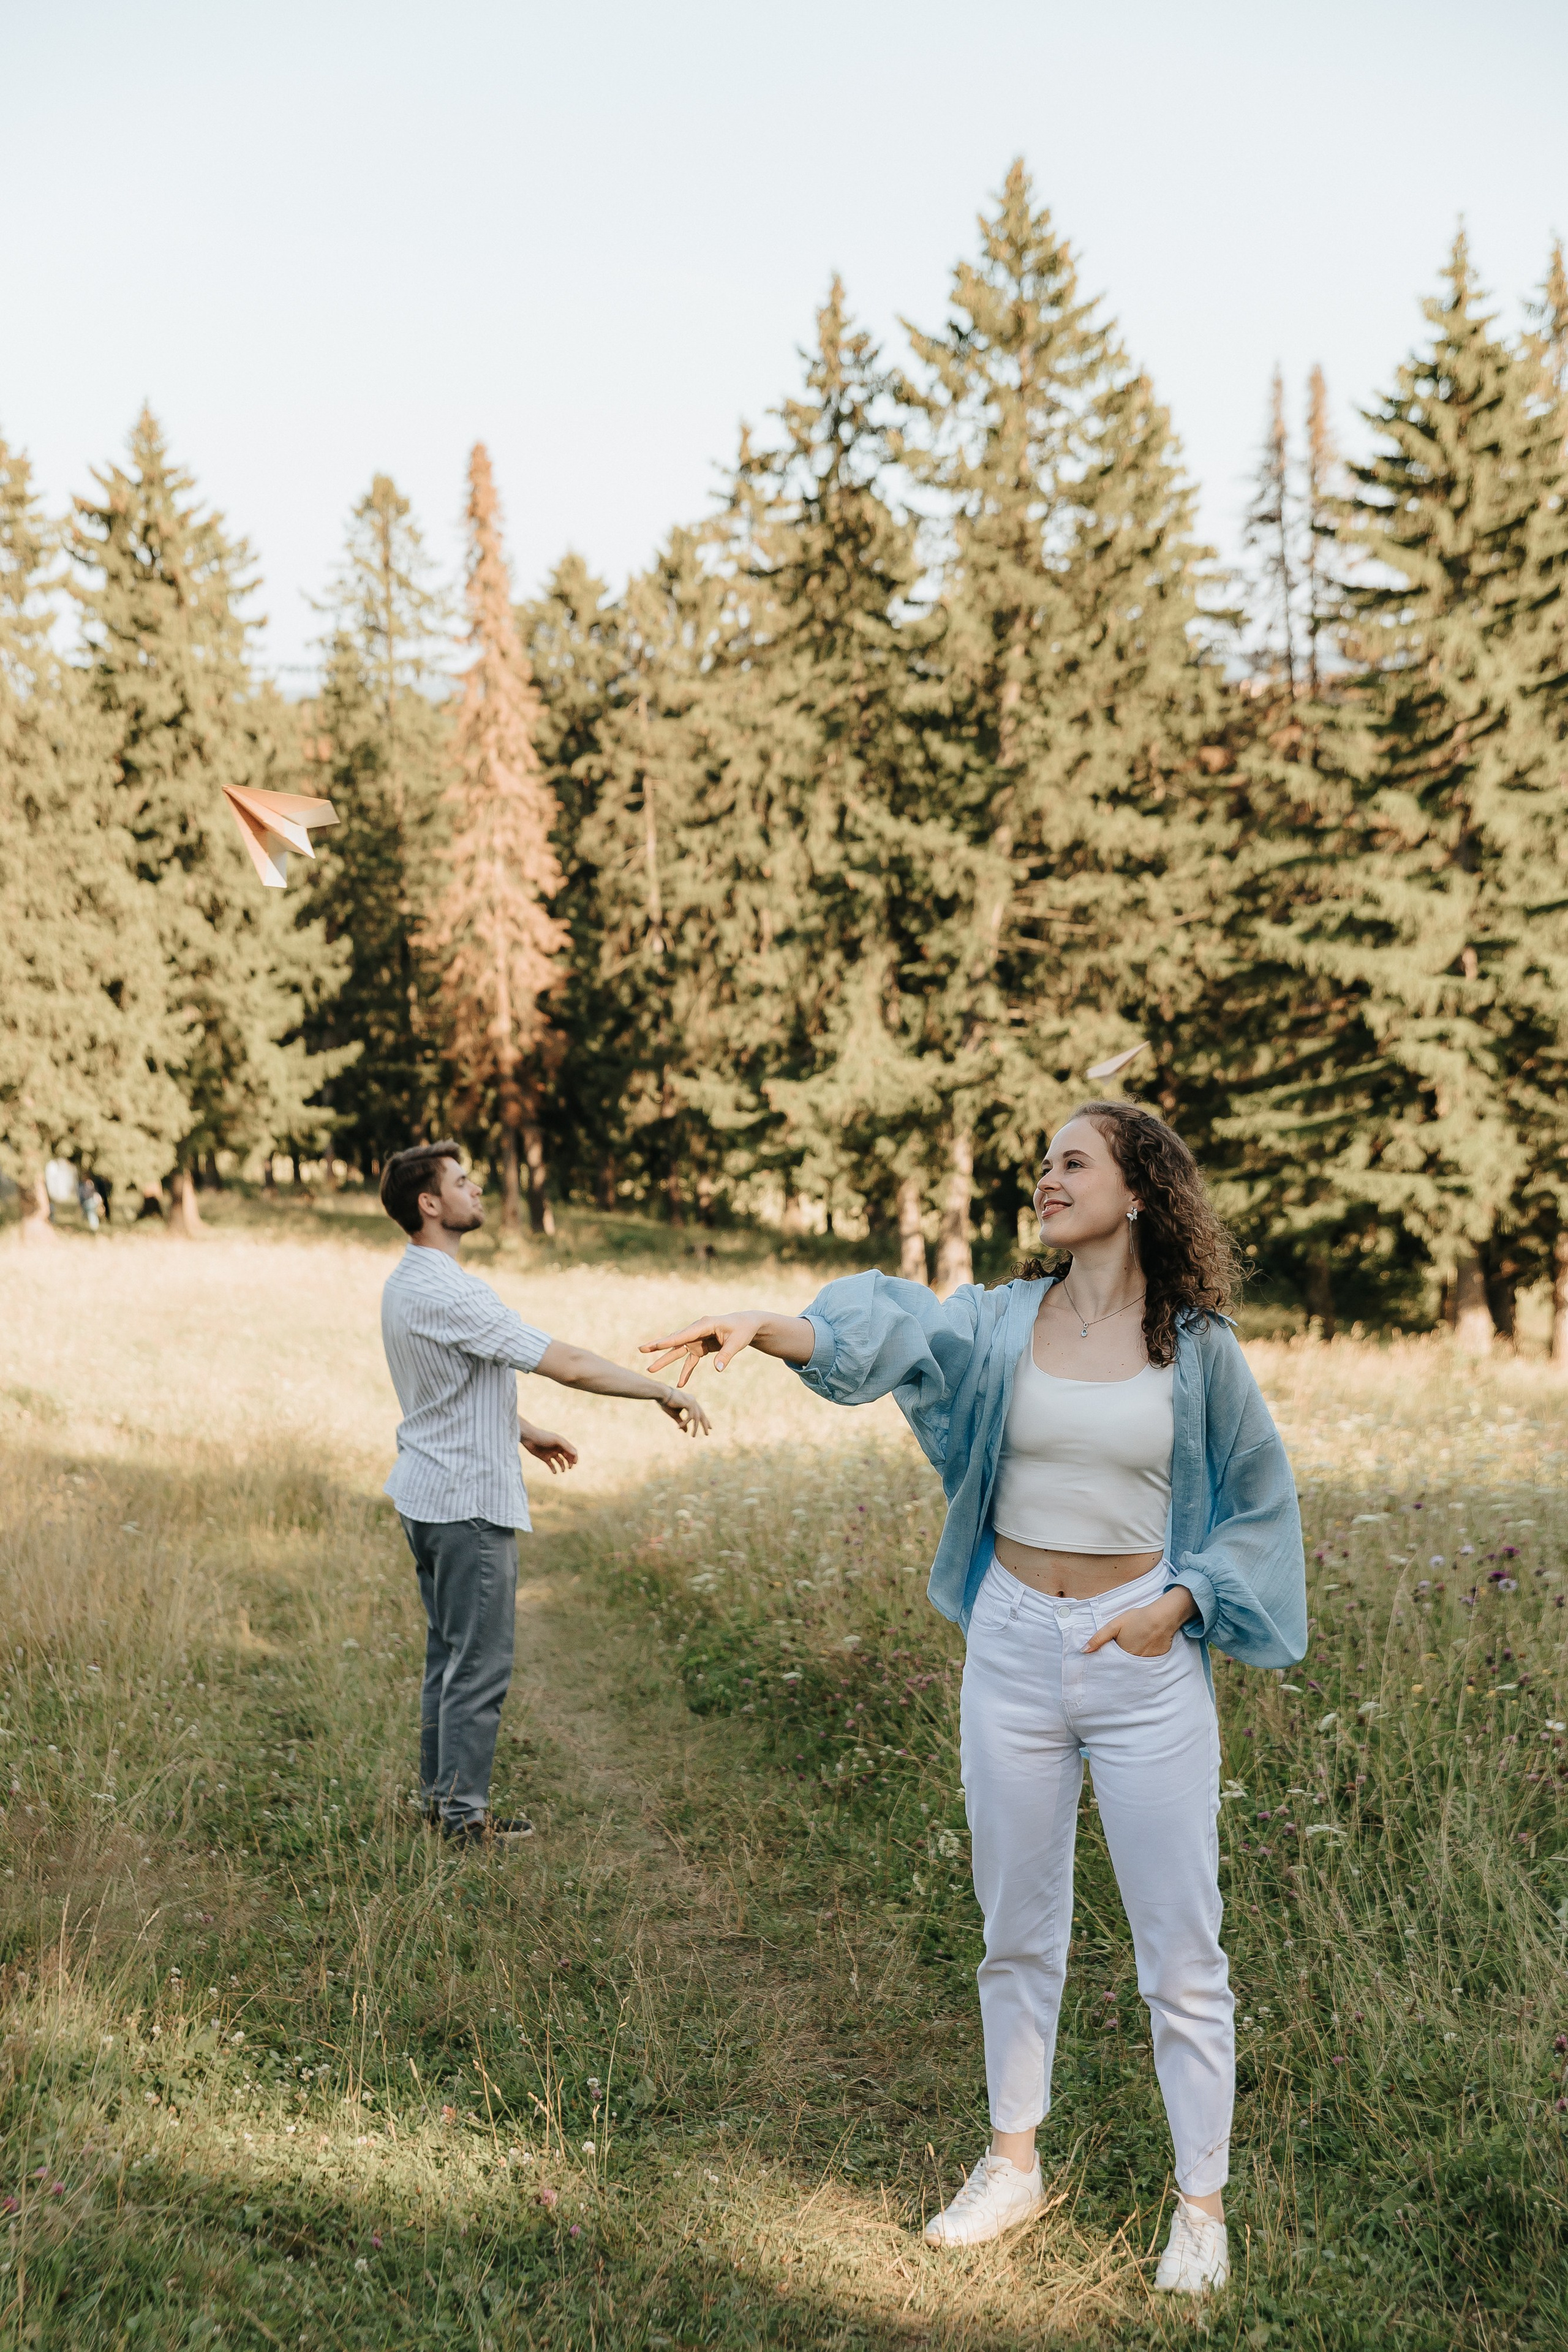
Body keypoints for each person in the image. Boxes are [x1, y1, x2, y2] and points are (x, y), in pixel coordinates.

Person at [642, 1102, 1305, 2295]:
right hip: (1006, 1638)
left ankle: (1197, 2210)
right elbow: (893, 1337)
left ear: (1139, 1190)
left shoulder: (1195, 1348)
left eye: (1073, 1161)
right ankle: (1012, 2162)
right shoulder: (1003, 1323)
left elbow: (1258, 1504)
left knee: (1179, 1945)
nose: (1046, 1179)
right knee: (1014, 1923)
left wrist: (1184, 1602)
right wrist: (764, 1325)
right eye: (1040, 1162)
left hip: (1141, 1654)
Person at [379, 1139, 711, 1847]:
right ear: (429, 1203)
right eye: (461, 1182)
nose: (476, 1189)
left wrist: (521, 1428)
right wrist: (657, 1387)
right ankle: (464, 1823)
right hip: (466, 1501)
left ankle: (441, 1806)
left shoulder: (408, 1282)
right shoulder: (451, 1289)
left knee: (448, 1655)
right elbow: (567, 1363)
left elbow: (448, 1384)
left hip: (429, 1491)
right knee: (479, 1664)